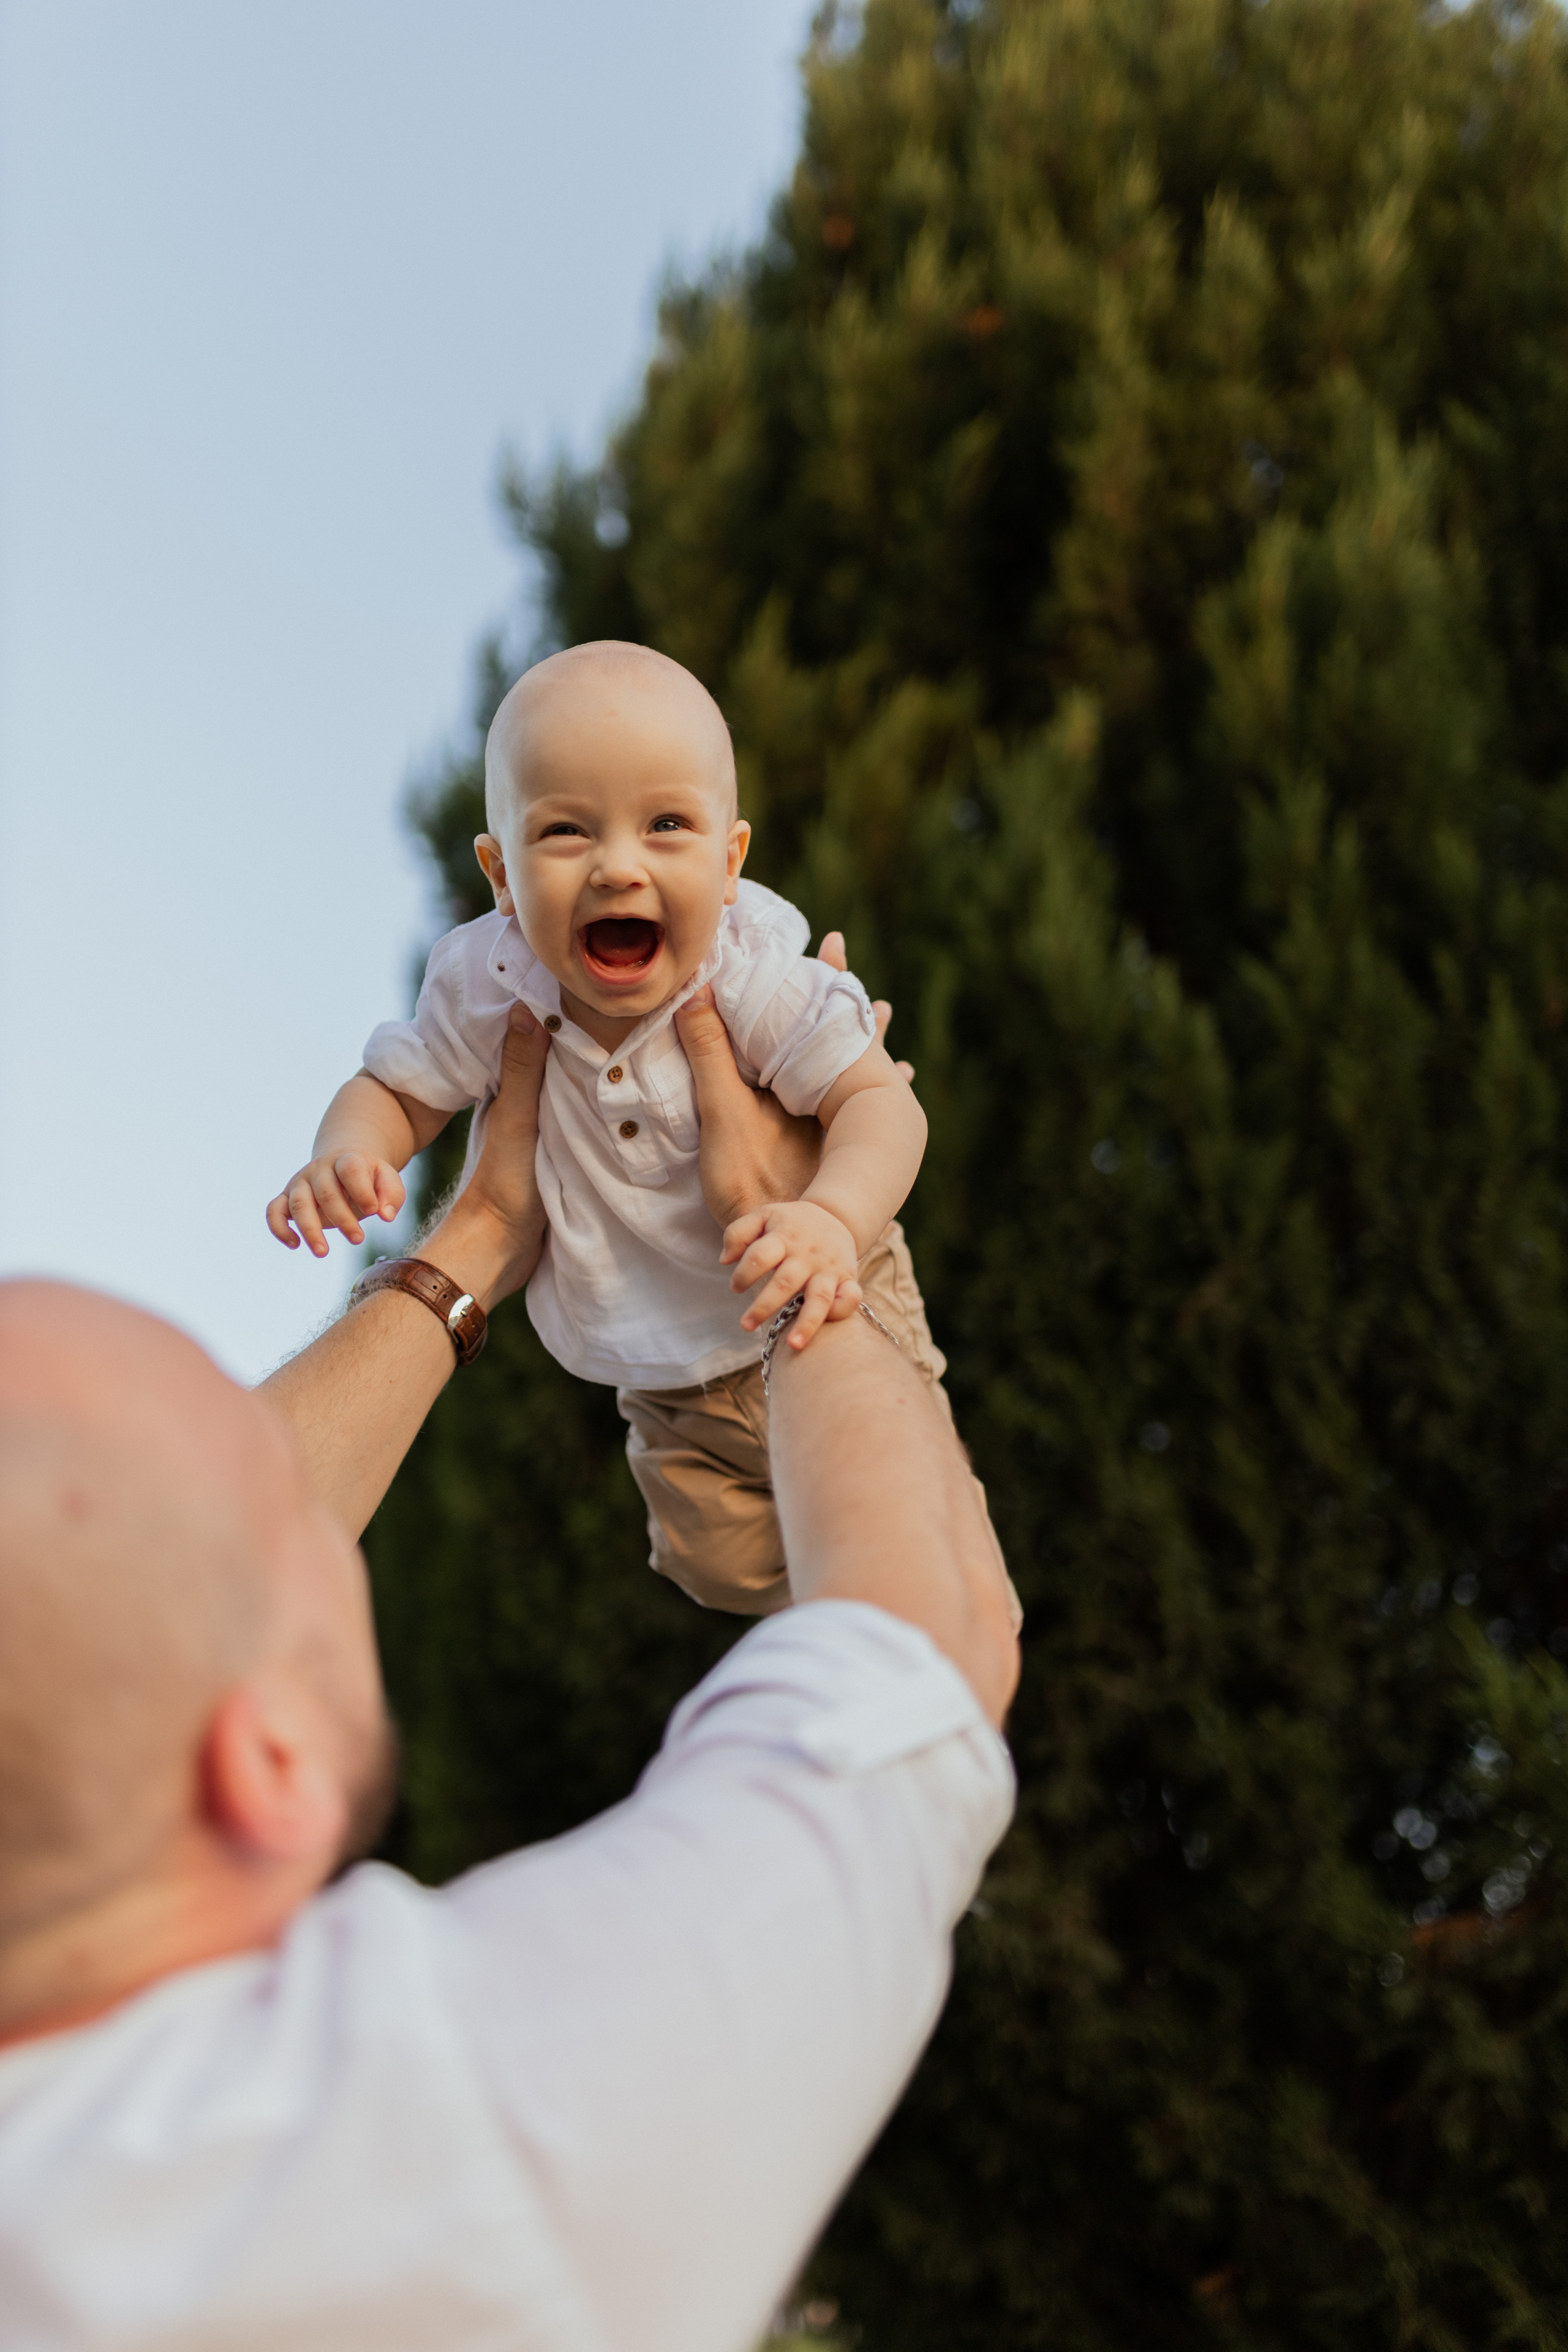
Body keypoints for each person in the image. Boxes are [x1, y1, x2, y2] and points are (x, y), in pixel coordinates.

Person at [0, 989, 1020, 2352]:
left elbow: (120, 1597)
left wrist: (478, 1234)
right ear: (272, 1767)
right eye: (280, 1502)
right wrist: (801, 1239)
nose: (312, 1498)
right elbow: (932, 1648)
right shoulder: (439, 2145)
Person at [264, 640, 967, 1614]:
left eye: (667, 824)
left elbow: (881, 1104)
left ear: (731, 861)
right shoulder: (488, 985)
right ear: (501, 874)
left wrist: (835, 1219)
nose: (618, 867)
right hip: (664, 1364)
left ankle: (912, 1604)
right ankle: (830, 1607)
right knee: (714, 1565)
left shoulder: (751, 975)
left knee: (913, 1541)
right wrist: (348, 1153)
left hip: (826, 1285)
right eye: (566, 831)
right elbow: (394, 1088)